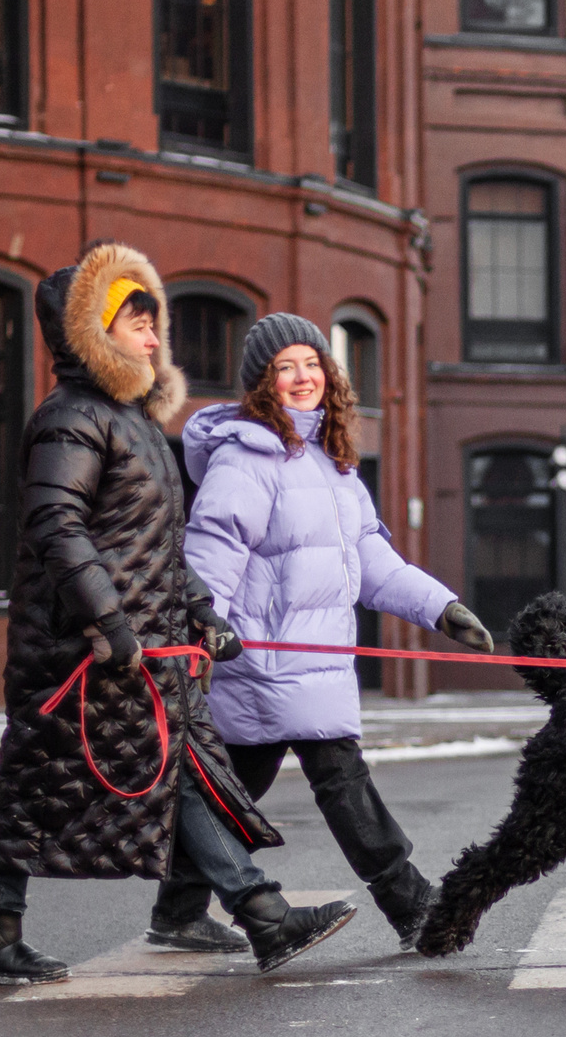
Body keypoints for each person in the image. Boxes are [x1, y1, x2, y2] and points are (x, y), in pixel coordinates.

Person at [0, 244, 357, 984]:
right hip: (81, 648)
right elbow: (56, 524)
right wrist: (107, 622)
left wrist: (201, 610)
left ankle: (255, 913)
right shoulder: (70, 417)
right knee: (39, 780)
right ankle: (259, 912)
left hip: (141, 642)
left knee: (167, 773)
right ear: (93, 333)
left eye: (154, 324)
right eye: (137, 323)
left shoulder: (133, 419)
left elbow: (156, 543)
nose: (153, 339)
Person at [182, 312, 494, 950]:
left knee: (232, 791)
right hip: (263, 660)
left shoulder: (333, 460)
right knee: (340, 781)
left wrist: (440, 608)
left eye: (312, 363)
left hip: (314, 661)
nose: (303, 377)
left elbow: (370, 557)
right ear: (263, 381)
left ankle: (177, 909)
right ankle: (414, 906)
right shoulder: (246, 458)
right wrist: (202, 630)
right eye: (285, 367)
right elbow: (211, 551)